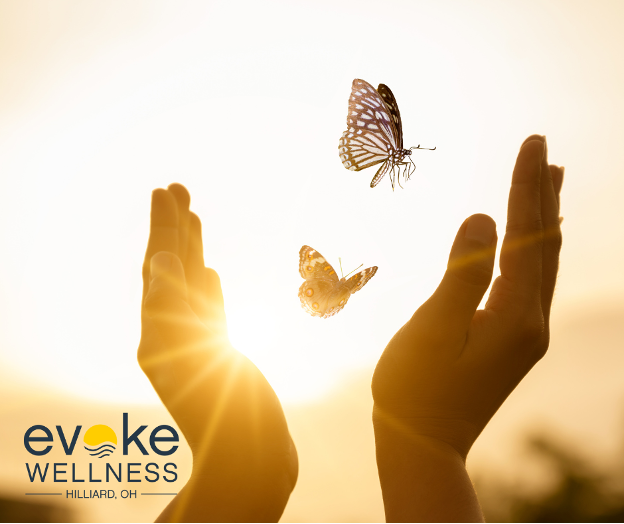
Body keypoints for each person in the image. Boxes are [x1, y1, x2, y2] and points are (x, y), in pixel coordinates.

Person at [138, 134, 563, 522]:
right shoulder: (341, 280)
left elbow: (246, 469)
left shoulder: (343, 279)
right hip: (328, 300)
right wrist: (429, 441)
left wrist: (241, 468)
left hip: (324, 299)